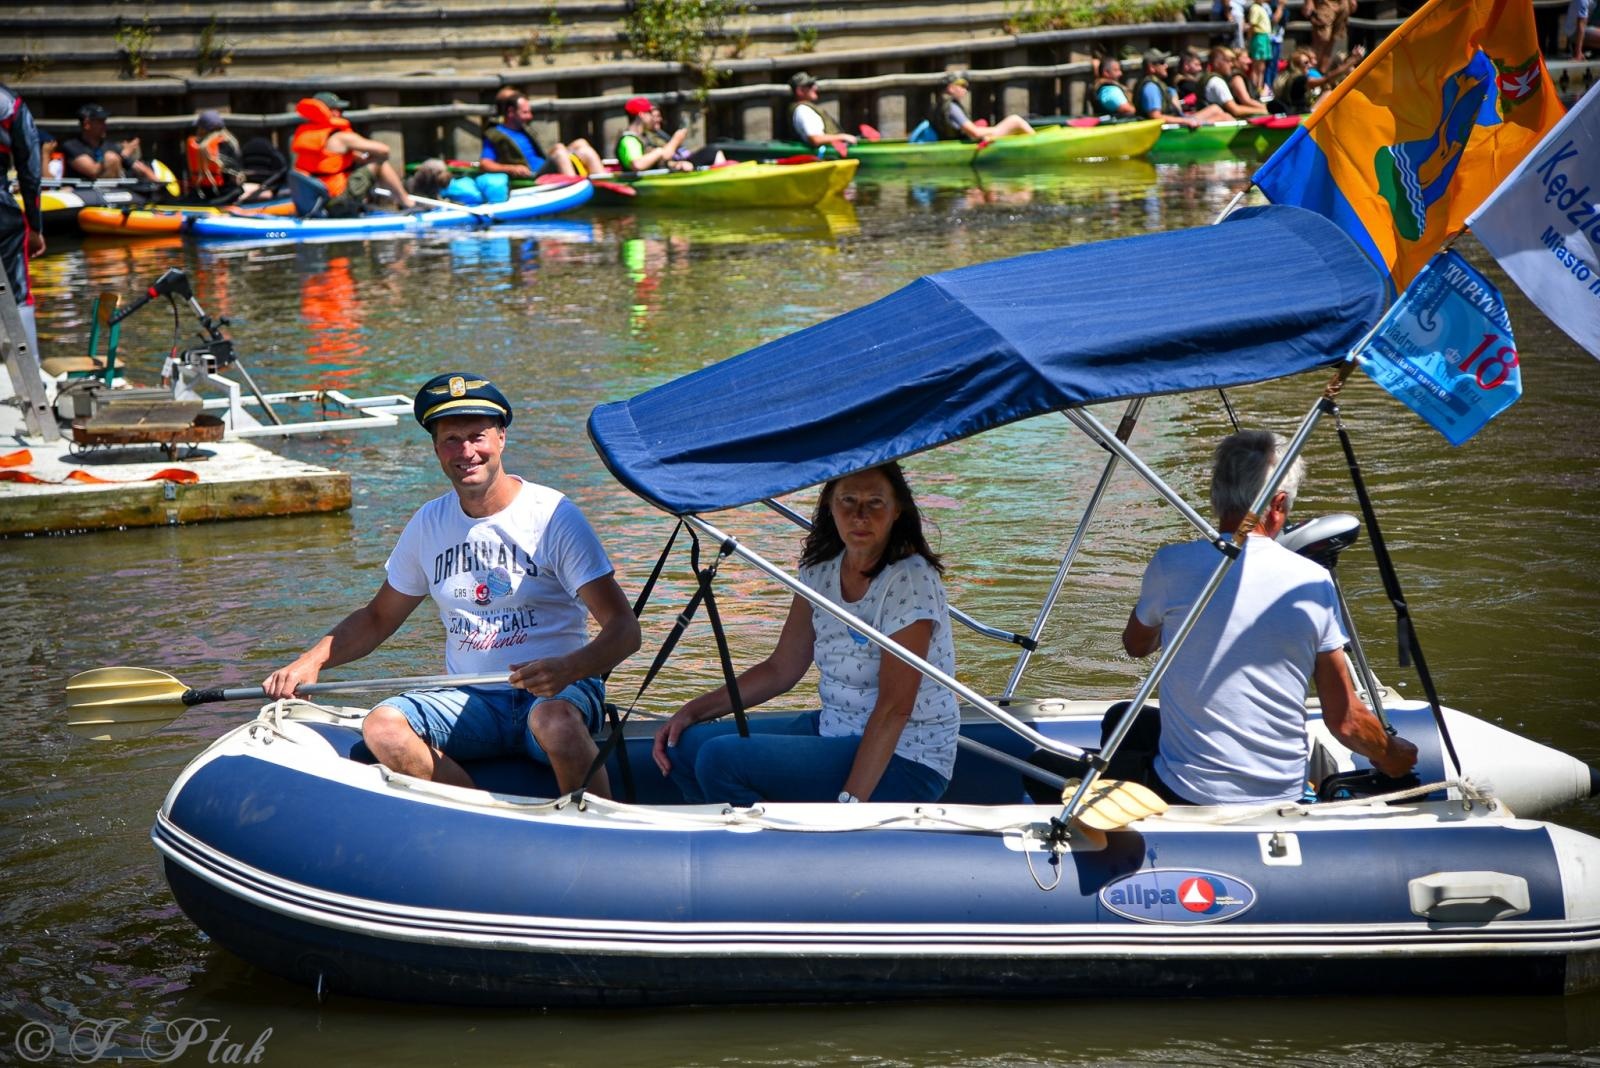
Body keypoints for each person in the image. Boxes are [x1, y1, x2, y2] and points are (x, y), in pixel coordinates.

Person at [263, 372, 642, 798]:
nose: (466, 452)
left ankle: (595, 826)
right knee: (382, 727)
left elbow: (625, 630)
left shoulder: (553, 515)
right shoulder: (429, 522)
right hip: (472, 701)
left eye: (477, 436)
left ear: (501, 438)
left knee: (553, 721)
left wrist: (568, 669)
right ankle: (480, 816)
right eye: (451, 440)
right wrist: (310, 661)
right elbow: (377, 617)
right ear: (436, 449)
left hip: (559, 694)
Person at [1120, 430, 1419, 806]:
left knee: (1122, 721)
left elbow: (1135, 646)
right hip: (1281, 795)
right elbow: (1345, 721)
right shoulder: (1313, 579)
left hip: (1189, 794)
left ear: (1217, 494)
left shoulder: (1171, 564)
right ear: (1278, 504)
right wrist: (1391, 755)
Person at [652, 463, 959, 805]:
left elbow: (894, 709)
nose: (860, 515)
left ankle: (761, 852)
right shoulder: (821, 568)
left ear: (897, 510)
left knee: (719, 760)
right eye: (848, 500)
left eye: (875, 502)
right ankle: (718, 838)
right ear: (829, 504)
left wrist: (849, 807)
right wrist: (691, 712)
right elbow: (781, 668)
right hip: (834, 727)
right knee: (682, 746)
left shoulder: (910, 579)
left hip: (906, 755)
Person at [290, 91, 416, 215]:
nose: (341, 113)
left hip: (316, 199)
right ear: (331, 111)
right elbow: (384, 150)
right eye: (339, 109)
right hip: (337, 202)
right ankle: (406, 202)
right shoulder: (342, 137)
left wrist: (354, 156)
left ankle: (376, 201)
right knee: (379, 162)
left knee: (362, 166)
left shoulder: (304, 133)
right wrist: (368, 157)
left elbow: (326, 162)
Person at [0, 83, 45, 357]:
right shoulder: (9, 102)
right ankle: (32, 371)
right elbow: (30, 170)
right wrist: (35, 226)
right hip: (1, 210)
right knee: (18, 293)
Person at [479, 91, 607, 180]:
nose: (530, 116)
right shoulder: (495, 134)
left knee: (581, 144)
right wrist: (511, 168)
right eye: (525, 112)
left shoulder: (523, 131)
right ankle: (574, 188)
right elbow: (485, 164)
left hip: (546, 165)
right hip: (534, 174)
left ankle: (603, 182)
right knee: (559, 152)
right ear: (511, 112)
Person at [614, 96, 724, 172]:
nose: (652, 117)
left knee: (711, 151)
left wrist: (676, 164)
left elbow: (658, 162)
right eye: (649, 113)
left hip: (659, 174)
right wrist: (660, 151)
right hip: (646, 181)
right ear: (642, 115)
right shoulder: (629, 140)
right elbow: (637, 165)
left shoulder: (643, 137)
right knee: (711, 151)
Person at [62, 103, 160, 184]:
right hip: (84, 192)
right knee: (110, 157)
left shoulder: (111, 146)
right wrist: (122, 155)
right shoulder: (72, 146)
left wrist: (157, 182)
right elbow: (92, 171)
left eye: (105, 121)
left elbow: (137, 166)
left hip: (112, 193)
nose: (105, 126)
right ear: (87, 124)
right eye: (100, 122)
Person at [1133, 50, 1232, 126]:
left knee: (1215, 108)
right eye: (1162, 62)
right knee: (1225, 117)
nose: (1166, 65)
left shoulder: (1156, 84)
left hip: (1177, 118)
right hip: (1171, 127)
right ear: (1152, 67)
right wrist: (1186, 120)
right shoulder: (1151, 87)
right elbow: (1155, 117)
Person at [929, 72, 1035, 141]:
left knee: (983, 123)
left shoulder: (942, 104)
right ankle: (1036, 142)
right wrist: (996, 130)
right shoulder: (952, 108)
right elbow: (975, 133)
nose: (965, 89)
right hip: (967, 140)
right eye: (961, 86)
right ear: (951, 88)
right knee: (1015, 120)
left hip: (955, 139)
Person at [183, 109, 246, 202]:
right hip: (224, 195)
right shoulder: (229, 142)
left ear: (203, 129)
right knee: (240, 190)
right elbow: (237, 175)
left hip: (202, 195)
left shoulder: (197, 145)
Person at [787, 72, 858, 154]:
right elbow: (815, 139)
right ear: (800, 91)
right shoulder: (803, 110)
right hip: (825, 155)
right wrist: (843, 137)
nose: (815, 87)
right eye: (810, 85)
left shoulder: (806, 108)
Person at [1198, 47, 1269, 118]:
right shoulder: (1217, 82)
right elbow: (1236, 110)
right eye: (1228, 61)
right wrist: (1265, 110)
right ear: (1217, 63)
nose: (1232, 64)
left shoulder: (1209, 78)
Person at [1304, 0, 1355, 72]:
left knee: (1334, 38)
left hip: (1343, 2)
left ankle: (1322, 74)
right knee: (1322, 38)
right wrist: (1309, 2)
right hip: (1325, 3)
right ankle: (1312, 73)